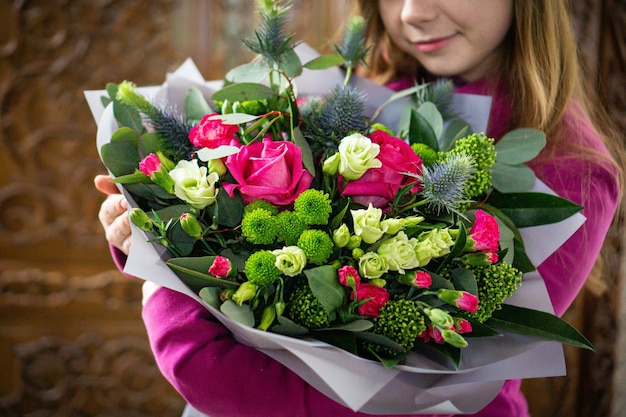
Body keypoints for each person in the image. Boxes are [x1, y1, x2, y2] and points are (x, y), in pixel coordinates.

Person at [95, 1, 623, 416]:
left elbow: (410, 393)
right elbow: (242, 248)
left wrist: (163, 296)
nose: (413, 12)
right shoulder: (364, 99)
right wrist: (152, 228)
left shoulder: (571, 174)